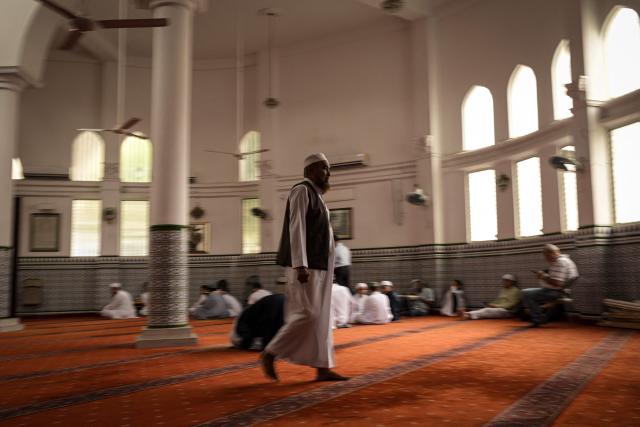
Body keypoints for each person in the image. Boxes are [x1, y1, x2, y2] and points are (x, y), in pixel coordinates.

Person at [262, 153, 348, 382]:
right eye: (324, 168)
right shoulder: (301, 190)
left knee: (322, 318)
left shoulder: (318, 197)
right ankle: (271, 352)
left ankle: (323, 367)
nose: (329, 173)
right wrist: (300, 264)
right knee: (308, 314)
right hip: (305, 267)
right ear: (310, 170)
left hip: (320, 267)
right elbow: (296, 228)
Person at [521, 244, 579, 327]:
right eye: (545, 256)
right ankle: (542, 317)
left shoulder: (560, 262)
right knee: (530, 294)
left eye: (547, 255)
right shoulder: (564, 260)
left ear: (556, 252)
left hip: (555, 292)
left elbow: (558, 283)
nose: (546, 258)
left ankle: (538, 319)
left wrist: (542, 276)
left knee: (526, 293)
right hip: (557, 290)